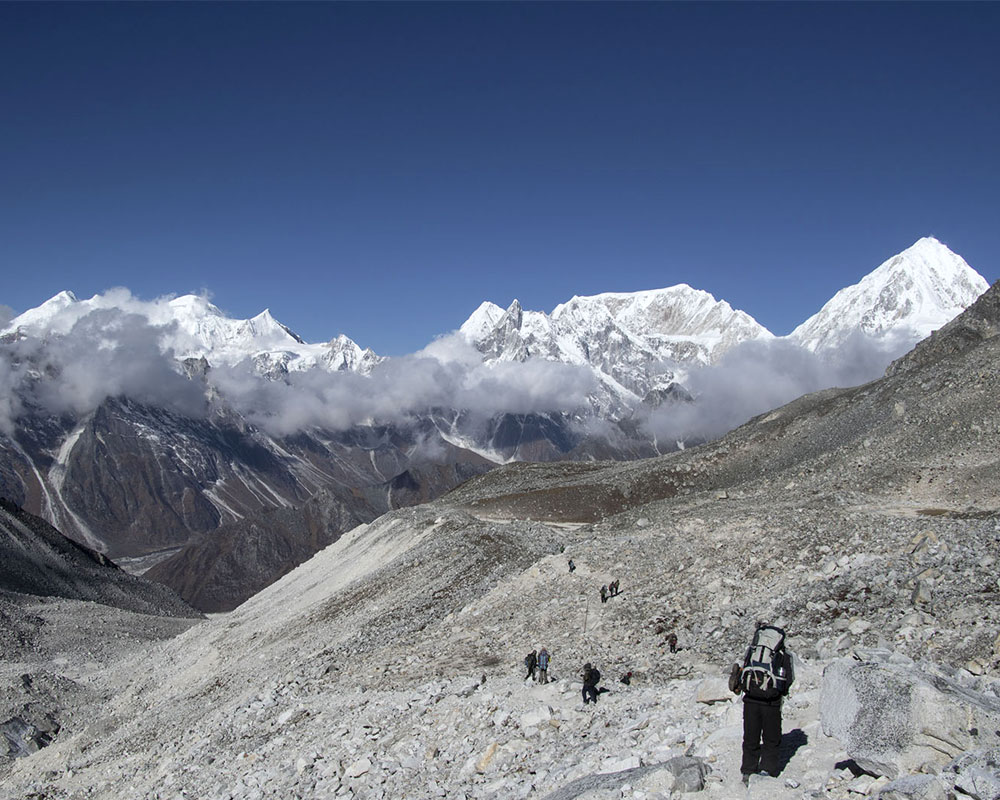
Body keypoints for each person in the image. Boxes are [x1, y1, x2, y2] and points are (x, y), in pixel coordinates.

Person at [731, 623, 794, 784]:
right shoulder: (783, 655)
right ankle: (768, 770)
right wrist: (780, 693)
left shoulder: (753, 651)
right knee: (771, 738)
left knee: (751, 737)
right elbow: (789, 680)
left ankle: (747, 771)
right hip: (771, 703)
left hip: (750, 700)